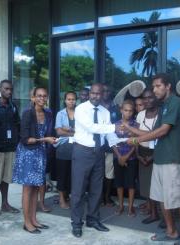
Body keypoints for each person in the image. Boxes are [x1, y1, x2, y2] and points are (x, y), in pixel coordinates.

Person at [125, 73, 180, 244]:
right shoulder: (163, 106)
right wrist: (129, 128)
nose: (155, 89)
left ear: (168, 86)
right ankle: (171, 232)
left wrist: (136, 140)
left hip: (172, 160)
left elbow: (163, 131)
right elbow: (151, 133)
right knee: (162, 197)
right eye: (153, 86)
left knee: (178, 199)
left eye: (158, 86)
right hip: (161, 159)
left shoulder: (175, 103)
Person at [71, 83, 118, 238]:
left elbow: (109, 134)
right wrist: (115, 128)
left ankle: (93, 219)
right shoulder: (80, 109)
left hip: (99, 152)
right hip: (82, 152)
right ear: (89, 93)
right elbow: (92, 127)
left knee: (96, 189)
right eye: (93, 93)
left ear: (103, 94)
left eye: (99, 94)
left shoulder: (105, 111)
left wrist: (123, 141)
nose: (96, 96)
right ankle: (77, 223)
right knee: (78, 190)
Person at [12, 87, 57, 234]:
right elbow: (25, 139)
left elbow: (49, 133)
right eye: (39, 96)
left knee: (37, 187)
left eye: (44, 96)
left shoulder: (48, 114)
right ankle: (27, 222)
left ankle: (34, 219)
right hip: (28, 153)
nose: (42, 99)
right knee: (28, 188)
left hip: (41, 153)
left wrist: (53, 140)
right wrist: (45, 139)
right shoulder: (27, 113)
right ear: (33, 98)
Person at [0, 80, 20, 219]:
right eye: (6, 89)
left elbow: (17, 125)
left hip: (10, 148)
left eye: (11, 89)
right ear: (0, 89)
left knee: (6, 178)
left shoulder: (13, 107)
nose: (9, 91)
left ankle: (5, 204)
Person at [135, 89, 159, 224]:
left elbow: (163, 137)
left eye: (150, 97)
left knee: (157, 186)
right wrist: (138, 154)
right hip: (142, 152)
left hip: (157, 153)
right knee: (146, 185)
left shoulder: (161, 114)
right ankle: (153, 212)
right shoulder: (141, 115)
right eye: (144, 98)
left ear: (155, 98)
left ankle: (162, 214)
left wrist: (153, 156)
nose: (147, 100)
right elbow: (137, 135)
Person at [113, 100, 138, 217]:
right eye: (126, 110)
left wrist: (126, 156)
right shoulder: (115, 124)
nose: (128, 113)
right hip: (117, 157)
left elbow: (136, 143)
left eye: (131, 111)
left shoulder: (136, 125)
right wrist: (119, 156)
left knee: (131, 184)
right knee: (119, 183)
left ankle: (130, 207)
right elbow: (112, 142)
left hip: (131, 158)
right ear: (121, 110)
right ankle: (121, 205)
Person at [54, 91, 76, 209]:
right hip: (63, 148)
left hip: (76, 148)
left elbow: (82, 131)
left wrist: (68, 130)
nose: (71, 101)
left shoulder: (80, 113)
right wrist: (73, 131)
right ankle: (62, 200)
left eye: (73, 99)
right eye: (68, 99)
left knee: (73, 175)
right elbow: (58, 131)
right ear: (65, 100)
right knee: (62, 175)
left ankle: (71, 198)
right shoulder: (60, 114)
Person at [100, 84, 119, 207]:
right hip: (98, 147)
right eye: (104, 91)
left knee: (109, 174)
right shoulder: (96, 108)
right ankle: (99, 197)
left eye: (108, 91)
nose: (106, 93)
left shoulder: (116, 109)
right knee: (98, 173)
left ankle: (107, 197)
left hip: (111, 147)